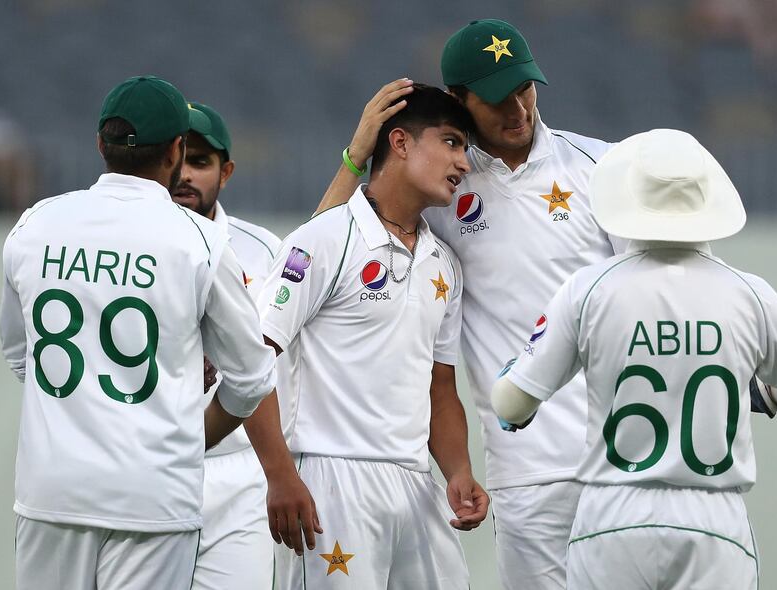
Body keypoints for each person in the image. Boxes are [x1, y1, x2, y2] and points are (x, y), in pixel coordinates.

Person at [316, 19, 623, 588]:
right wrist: (358, 155)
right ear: (459, 100)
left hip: (621, 460)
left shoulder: (604, 167)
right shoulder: (441, 184)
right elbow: (316, 255)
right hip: (526, 470)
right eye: (497, 98)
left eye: (525, 90)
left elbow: (653, 289)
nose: (518, 110)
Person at [0, 76, 278, 590]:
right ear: (176, 149)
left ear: (100, 143)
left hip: (51, 490)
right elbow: (253, 378)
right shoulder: (200, 239)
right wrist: (194, 437)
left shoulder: (35, 223)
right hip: (153, 496)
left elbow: (21, 358)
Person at [491, 128, 777, 588]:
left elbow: (512, 406)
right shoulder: (754, 296)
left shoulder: (587, 290)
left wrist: (510, 375)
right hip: (716, 525)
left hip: (610, 521)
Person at [257, 84, 489, 589]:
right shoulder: (322, 240)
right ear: (401, 143)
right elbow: (252, 361)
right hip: (329, 482)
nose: (463, 163)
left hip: (415, 484)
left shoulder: (445, 263)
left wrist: (457, 470)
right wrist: (280, 475)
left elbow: (440, 386)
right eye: (451, 142)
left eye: (465, 148)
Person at [171, 101, 291, 589]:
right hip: (154, 465)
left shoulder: (262, 248)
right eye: (177, 160)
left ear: (227, 171)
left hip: (241, 473)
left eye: (200, 162)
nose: (185, 175)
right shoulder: (136, 243)